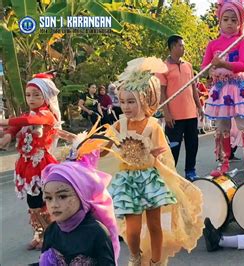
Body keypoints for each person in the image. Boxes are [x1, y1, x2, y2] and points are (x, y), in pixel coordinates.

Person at [107, 57, 204, 265]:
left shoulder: (153, 126)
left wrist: (154, 158)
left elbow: (164, 157)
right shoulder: (119, 124)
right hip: (127, 182)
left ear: (144, 99)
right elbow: (104, 148)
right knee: (131, 230)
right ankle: (135, 255)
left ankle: (156, 261)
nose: (125, 106)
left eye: (131, 101)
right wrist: (86, 145)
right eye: (122, 101)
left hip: (150, 180)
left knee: (154, 225)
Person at [0, 73, 62, 250]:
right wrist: (9, 134)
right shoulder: (30, 114)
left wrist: (3, 121)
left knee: (43, 202)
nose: (31, 98)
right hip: (27, 165)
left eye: (36, 94)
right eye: (28, 94)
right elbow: (19, 124)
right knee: (33, 203)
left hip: (42, 165)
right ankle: (41, 234)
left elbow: (29, 121)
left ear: (46, 96)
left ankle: (51, 236)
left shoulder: (47, 115)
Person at [202, 0, 244, 181]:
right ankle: (222, 163)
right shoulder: (212, 44)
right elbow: (204, 66)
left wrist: (223, 63)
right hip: (220, 90)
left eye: (233, 20)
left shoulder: (242, 42)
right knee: (221, 128)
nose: (229, 23)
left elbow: (243, 65)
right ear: (219, 21)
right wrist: (209, 69)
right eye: (225, 19)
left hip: (237, 89)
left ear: (239, 23)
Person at [39, 147, 119, 265]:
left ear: (82, 195)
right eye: (49, 198)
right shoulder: (51, 232)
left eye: (62, 196)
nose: (54, 205)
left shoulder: (96, 233)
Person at [158, 34, 203, 180]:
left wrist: (199, 106)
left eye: (183, 45)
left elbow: (193, 88)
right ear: (172, 47)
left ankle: (190, 170)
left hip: (190, 114)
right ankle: (170, 173)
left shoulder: (188, 66)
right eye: (180, 45)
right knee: (173, 147)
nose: (183, 48)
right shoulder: (163, 67)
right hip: (174, 116)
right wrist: (167, 113)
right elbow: (162, 92)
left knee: (192, 144)